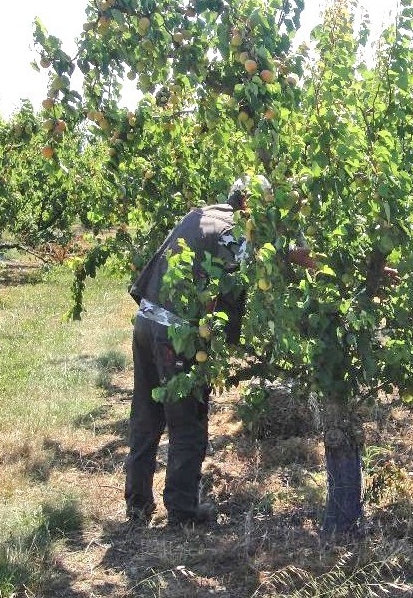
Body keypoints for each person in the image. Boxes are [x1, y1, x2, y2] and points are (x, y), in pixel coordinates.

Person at [124, 175, 314, 525]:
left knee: (147, 415)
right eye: (264, 207)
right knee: (188, 423)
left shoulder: (202, 214)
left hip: (146, 318)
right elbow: (254, 265)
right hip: (177, 333)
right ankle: (182, 512)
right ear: (248, 204)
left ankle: (137, 504)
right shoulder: (235, 229)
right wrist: (293, 258)